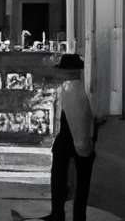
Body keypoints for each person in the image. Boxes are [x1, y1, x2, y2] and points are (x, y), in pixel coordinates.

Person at [42, 52, 97, 221]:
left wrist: (84, 149)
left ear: (67, 71)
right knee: (79, 184)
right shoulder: (75, 88)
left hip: (71, 143)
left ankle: (60, 214)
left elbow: (77, 121)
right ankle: (72, 216)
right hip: (73, 143)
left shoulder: (72, 90)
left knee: (63, 180)